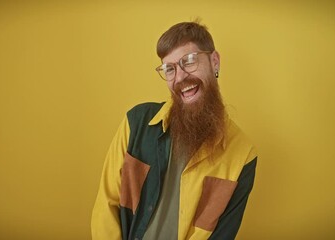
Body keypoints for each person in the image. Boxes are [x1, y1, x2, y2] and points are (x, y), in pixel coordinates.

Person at [91, 21, 258, 240]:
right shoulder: (135, 123)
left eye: (189, 61)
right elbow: (106, 206)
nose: (179, 78)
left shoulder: (243, 155)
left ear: (214, 61)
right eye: (169, 69)